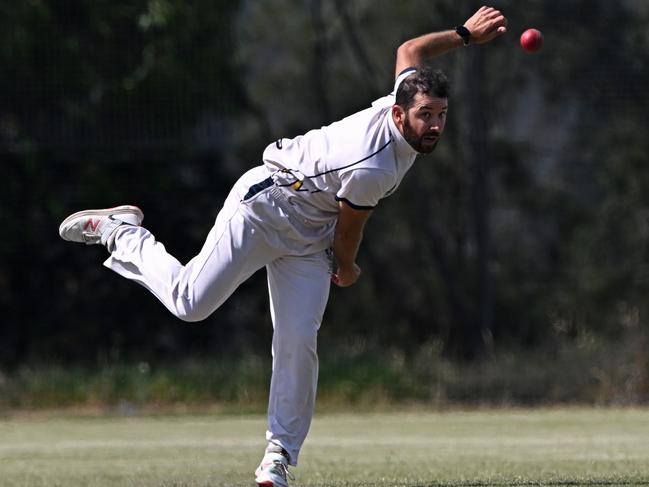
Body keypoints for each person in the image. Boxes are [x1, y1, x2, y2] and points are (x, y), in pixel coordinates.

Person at [59, 6, 506, 487]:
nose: (434, 125)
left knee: (297, 341)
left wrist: (463, 35)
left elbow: (409, 50)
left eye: (440, 115)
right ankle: (121, 231)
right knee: (190, 303)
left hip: (309, 235)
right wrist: (349, 268)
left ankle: (278, 457)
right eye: (425, 116)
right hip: (265, 208)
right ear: (398, 113)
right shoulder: (375, 166)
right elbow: (349, 233)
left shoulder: (400, 106)